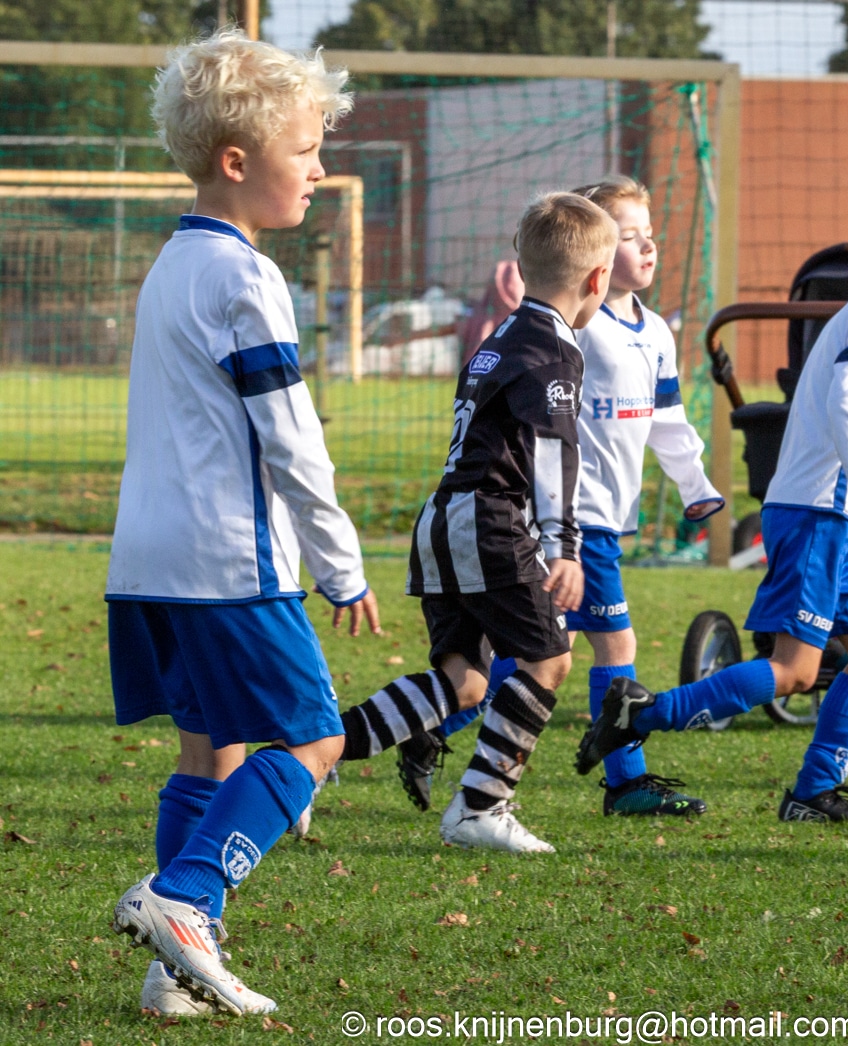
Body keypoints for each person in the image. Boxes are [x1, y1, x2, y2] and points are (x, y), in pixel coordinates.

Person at [108, 30, 380, 1017]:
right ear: (236, 161)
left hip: (147, 560)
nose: (319, 169)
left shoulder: (170, 266)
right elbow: (292, 438)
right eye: (304, 149)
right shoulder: (246, 278)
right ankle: (186, 895)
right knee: (314, 741)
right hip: (230, 560)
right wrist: (341, 563)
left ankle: (172, 968)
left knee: (209, 748)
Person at [576, 179, 848, 826]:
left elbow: (845, 424)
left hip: (831, 513)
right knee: (794, 670)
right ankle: (641, 714)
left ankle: (812, 793)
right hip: (817, 516)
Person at [418, 176, 723, 817]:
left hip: (602, 519)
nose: (646, 247)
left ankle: (431, 724)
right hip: (572, 521)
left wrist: (695, 485)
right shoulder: (574, 329)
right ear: (594, 260)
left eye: (648, 235)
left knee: (530, 654)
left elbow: (668, 419)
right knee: (612, 646)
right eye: (627, 237)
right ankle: (625, 783)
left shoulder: (656, 332)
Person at [329, 191, 617, 852]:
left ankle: (310, 757)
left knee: (465, 683)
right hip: (489, 521)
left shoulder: (502, 337)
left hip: (444, 518)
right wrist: (563, 546)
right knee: (550, 660)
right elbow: (555, 448)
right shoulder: (555, 348)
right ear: (598, 278)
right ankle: (480, 808)